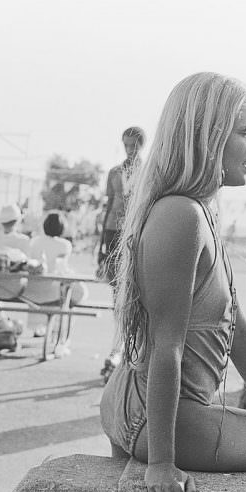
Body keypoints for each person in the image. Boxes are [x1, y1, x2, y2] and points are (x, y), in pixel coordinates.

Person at [99, 71, 246, 492]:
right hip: (163, 420)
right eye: (245, 133)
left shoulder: (200, 212)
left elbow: (237, 329)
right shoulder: (181, 214)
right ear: (208, 136)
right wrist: (162, 463)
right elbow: (168, 346)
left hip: (142, 408)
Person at [98, 126, 146, 382]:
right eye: (126, 144)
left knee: (135, 292)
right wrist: (100, 247)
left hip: (135, 232)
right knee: (117, 294)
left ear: (141, 145)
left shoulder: (147, 171)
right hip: (113, 231)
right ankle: (118, 347)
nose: (130, 149)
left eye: (134, 145)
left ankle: (131, 350)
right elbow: (108, 205)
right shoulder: (115, 172)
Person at [24, 212, 78, 337]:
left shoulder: (34, 241)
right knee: (73, 292)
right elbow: (62, 268)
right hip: (53, 292)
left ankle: (42, 328)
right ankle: (59, 330)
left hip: (31, 291)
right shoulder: (65, 245)